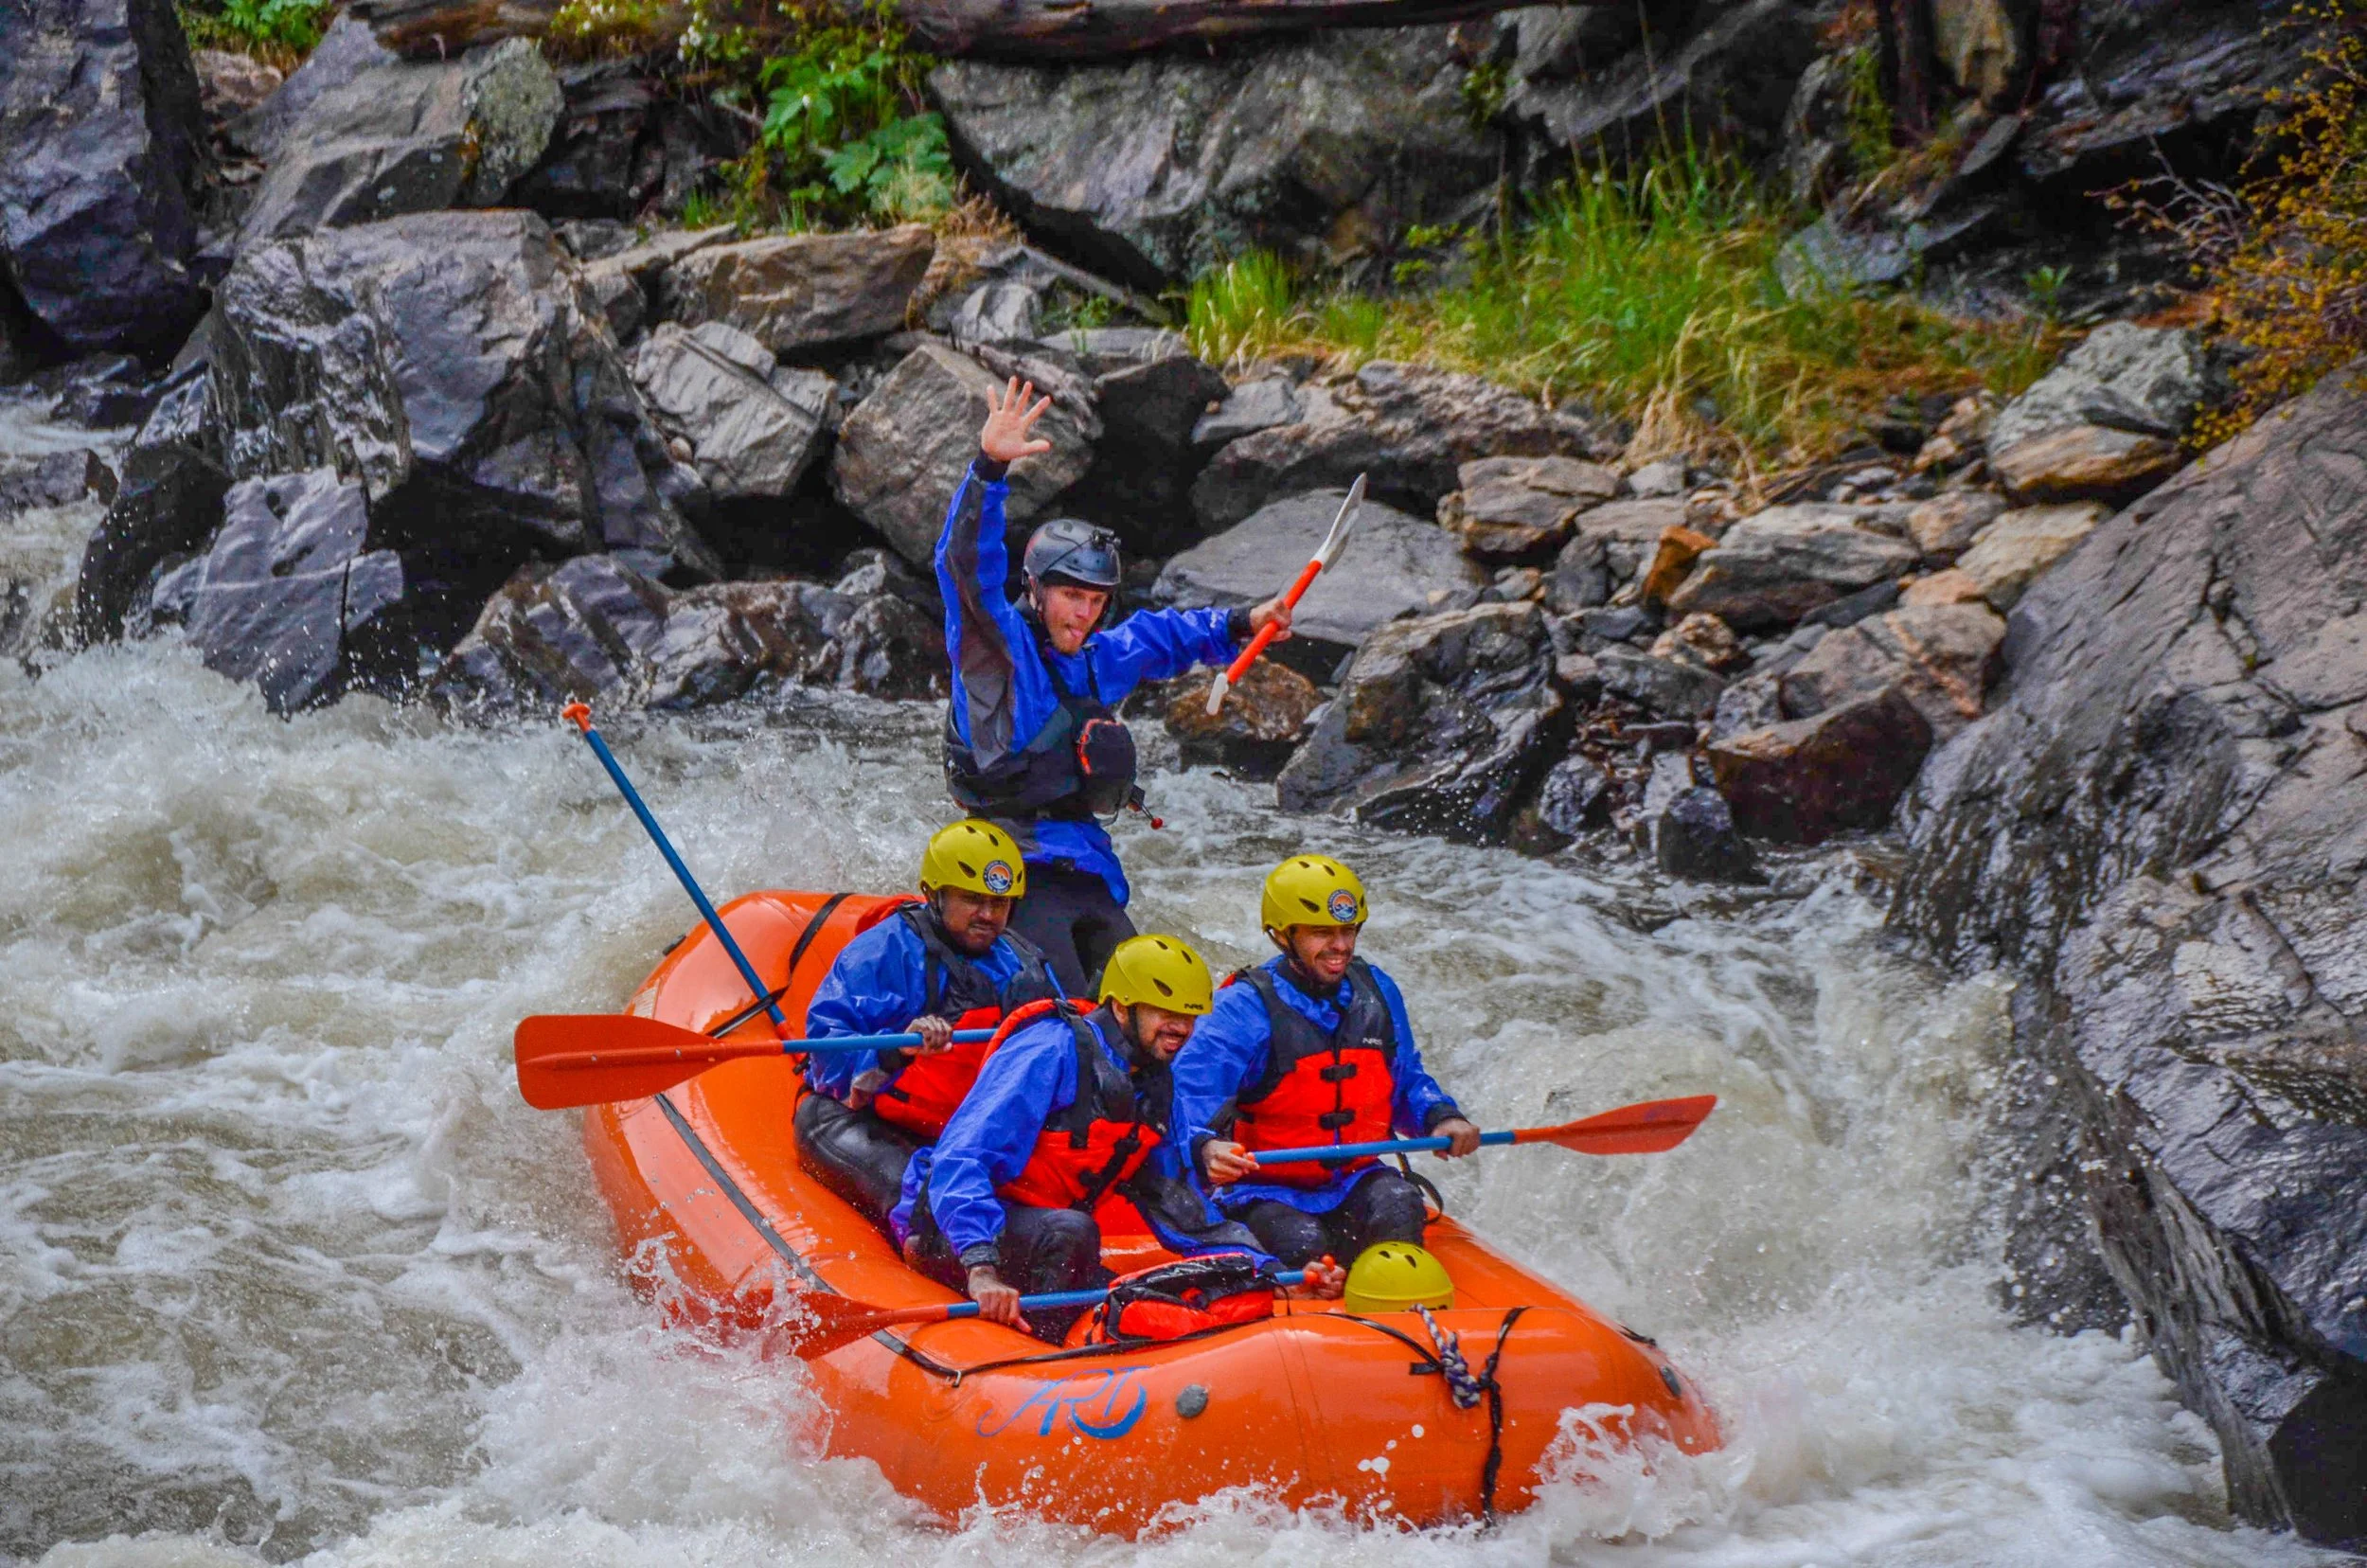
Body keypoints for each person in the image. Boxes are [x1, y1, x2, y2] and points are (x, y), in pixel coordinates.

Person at [937, 377, 1295, 995]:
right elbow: (965, 567)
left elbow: (1160, 640)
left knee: (1144, 1002)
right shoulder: (995, 654)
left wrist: (1240, 623)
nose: (1084, 613)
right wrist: (989, 469)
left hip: (1085, 866)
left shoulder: (1097, 659)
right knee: (1081, 1012)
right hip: (1011, 869)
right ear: (1036, 589)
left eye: (1096, 600)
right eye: (1071, 595)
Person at [897, 934, 1341, 1342]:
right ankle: (1037, 1359)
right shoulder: (1048, 1052)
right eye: (1166, 1013)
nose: (1181, 1029)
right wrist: (980, 1268)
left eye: (1188, 1016)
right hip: (955, 1233)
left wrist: (1275, 1275)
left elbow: (1186, 1209)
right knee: (1072, 1231)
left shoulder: (1152, 1084)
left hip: (1044, 1242)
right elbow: (961, 1159)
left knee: (1164, 1291)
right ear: (1122, 1007)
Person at [1169, 854, 1484, 1270]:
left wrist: (1441, 1117)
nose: (1340, 946)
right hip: (1264, 1190)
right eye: (1322, 933)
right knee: (1303, 1244)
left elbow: (1404, 1080)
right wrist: (1204, 1146)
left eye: (1348, 930)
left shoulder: (1377, 992)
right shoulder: (1241, 1009)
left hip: (1354, 1180)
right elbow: (1179, 1101)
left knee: (1401, 1204)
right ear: (1283, 936)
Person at [793, 820, 1060, 1227]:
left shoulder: (1023, 964)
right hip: (858, 1118)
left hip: (959, 1133)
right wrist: (898, 1047)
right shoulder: (884, 951)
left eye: (1000, 903)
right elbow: (825, 1054)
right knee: (931, 1206)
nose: (988, 915)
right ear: (934, 895)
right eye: (973, 899)